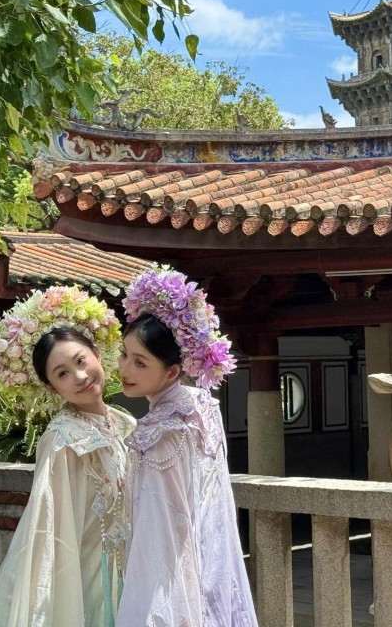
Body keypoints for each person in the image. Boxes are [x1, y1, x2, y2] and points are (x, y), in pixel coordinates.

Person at [0, 287, 135, 627]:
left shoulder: (126, 425)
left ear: (97, 354)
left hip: (135, 570)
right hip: (89, 580)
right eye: (62, 373)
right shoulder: (64, 439)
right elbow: (51, 527)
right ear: (52, 388)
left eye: (81, 361)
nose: (80, 376)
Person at [116, 267, 258, 626]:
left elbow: (158, 532)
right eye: (123, 354)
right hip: (216, 565)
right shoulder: (204, 406)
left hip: (174, 579)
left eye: (139, 362)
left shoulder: (157, 433)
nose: (125, 370)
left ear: (172, 372)